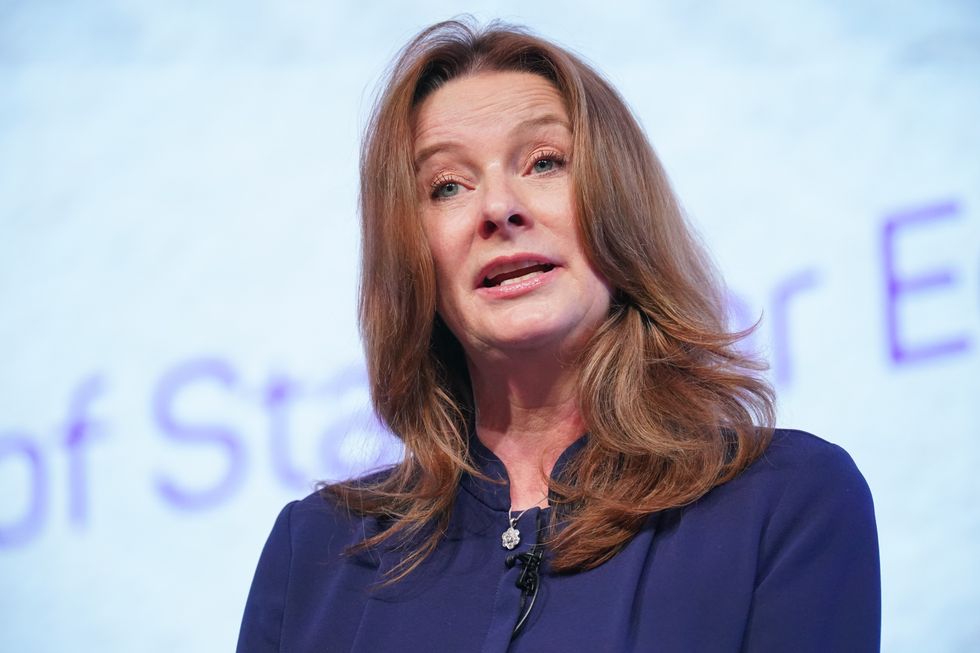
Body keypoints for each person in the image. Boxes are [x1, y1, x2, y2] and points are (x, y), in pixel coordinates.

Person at [236, 19, 880, 652]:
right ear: (410, 255)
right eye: (447, 186)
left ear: (619, 206)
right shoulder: (317, 553)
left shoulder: (784, 501)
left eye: (544, 163)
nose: (498, 208)